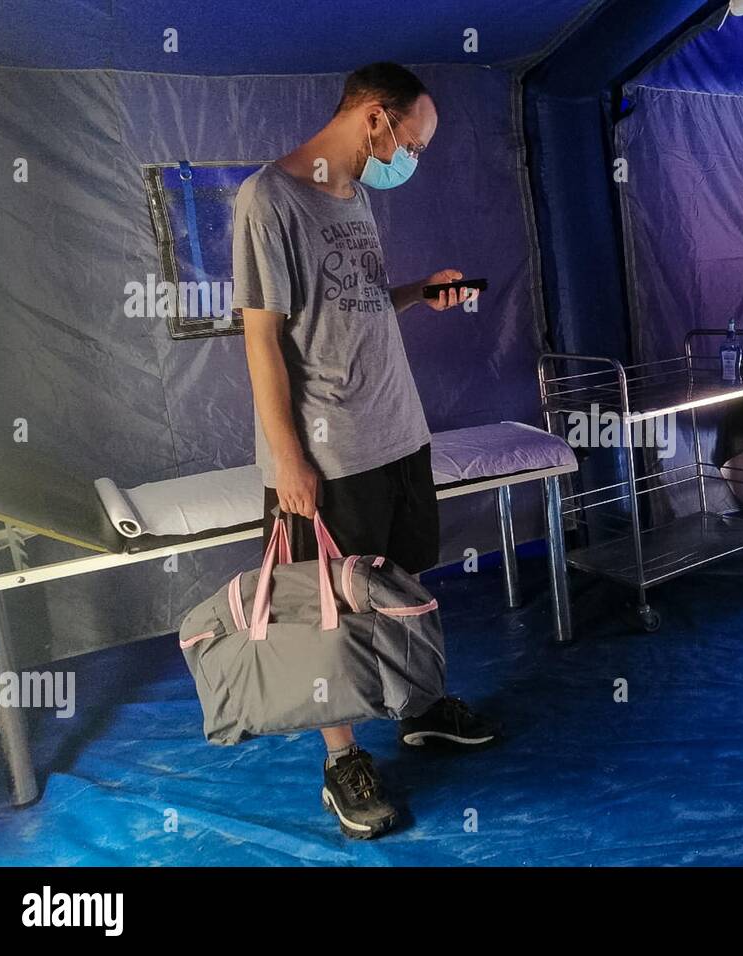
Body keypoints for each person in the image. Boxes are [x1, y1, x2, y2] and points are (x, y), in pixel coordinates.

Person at [232, 62, 498, 839]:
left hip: (398, 432)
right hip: (330, 451)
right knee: (329, 610)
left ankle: (418, 709)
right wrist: (288, 460)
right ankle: (341, 756)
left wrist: (420, 290)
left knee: (407, 584)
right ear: (375, 119)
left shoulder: (354, 196)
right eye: (409, 141)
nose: (408, 158)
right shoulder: (269, 200)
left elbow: (352, 306)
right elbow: (262, 341)